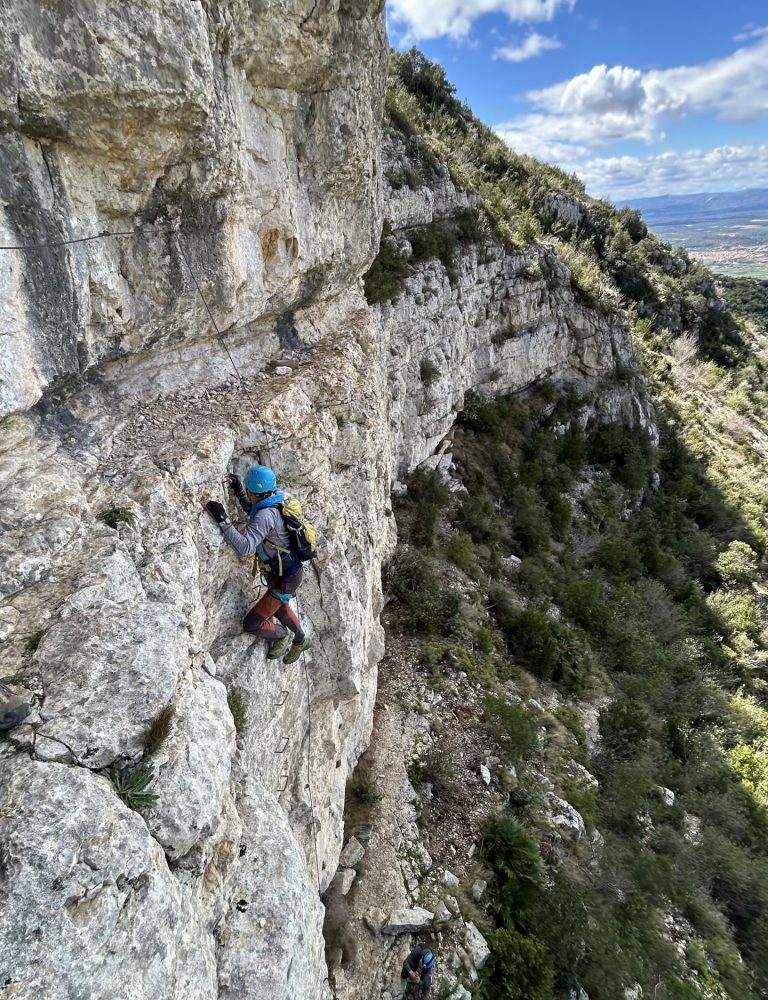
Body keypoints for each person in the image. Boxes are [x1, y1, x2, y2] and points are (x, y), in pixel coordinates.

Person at [204, 465, 312, 663]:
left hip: (284, 577)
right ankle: (301, 640)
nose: (248, 493)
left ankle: (283, 635)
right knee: (279, 606)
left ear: (256, 491)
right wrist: (240, 494)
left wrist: (223, 521)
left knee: (252, 623)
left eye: (249, 490)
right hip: (287, 572)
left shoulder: (265, 514)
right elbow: (256, 512)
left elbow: (245, 547)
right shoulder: (277, 498)